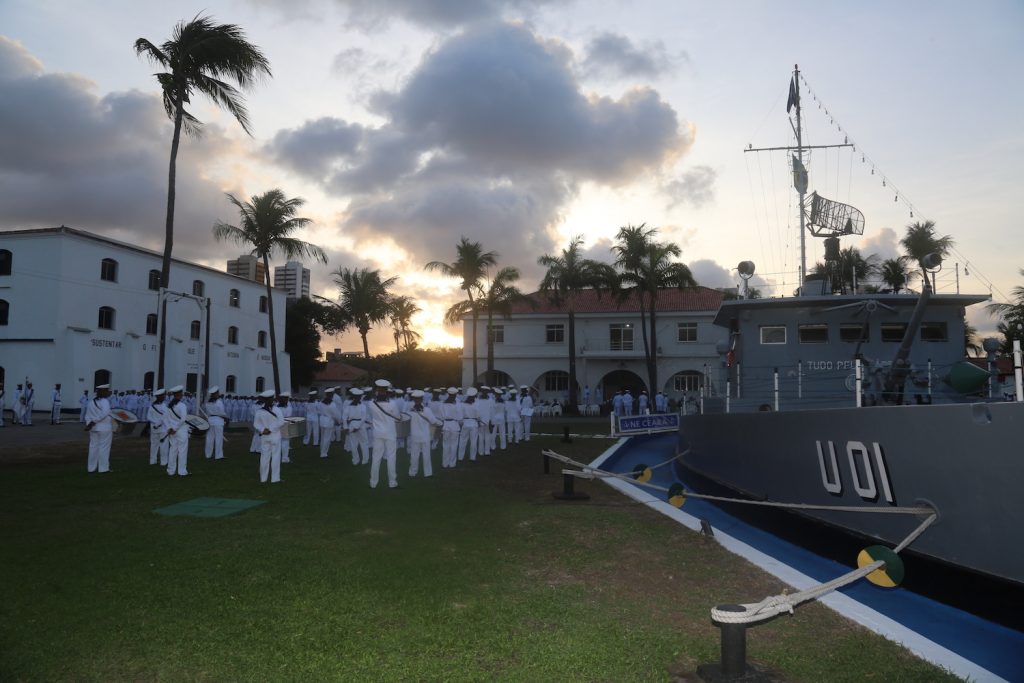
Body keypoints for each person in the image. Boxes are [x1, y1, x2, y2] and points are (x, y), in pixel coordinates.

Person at [366, 379, 407, 489]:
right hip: (390, 433)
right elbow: (398, 418)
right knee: (391, 457)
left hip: (377, 433)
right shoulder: (392, 404)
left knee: (376, 458)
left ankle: (373, 483)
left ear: (377, 390)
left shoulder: (371, 404)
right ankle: (392, 483)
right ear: (386, 391)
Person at [404, 389, 441, 477]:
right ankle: (427, 473)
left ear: (414, 399)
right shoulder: (427, 410)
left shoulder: (410, 411)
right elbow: (433, 421)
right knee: (426, 455)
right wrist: (440, 423)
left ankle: (412, 472)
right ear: (422, 399)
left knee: (414, 455)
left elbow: (406, 421)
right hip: (425, 436)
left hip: (414, 436)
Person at [253, 389, 284, 483]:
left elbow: (256, 424)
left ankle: (263, 478)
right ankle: (275, 479)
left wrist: (263, 429)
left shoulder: (259, 411)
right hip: (275, 436)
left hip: (265, 436)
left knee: (264, 457)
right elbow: (281, 422)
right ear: (272, 399)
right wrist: (271, 429)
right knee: (275, 457)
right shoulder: (277, 409)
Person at [84, 384, 113, 473]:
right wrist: (94, 422)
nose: (108, 392)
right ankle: (103, 469)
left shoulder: (91, 402)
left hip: (93, 428)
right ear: (103, 392)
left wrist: (89, 424)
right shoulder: (105, 401)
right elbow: (105, 413)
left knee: (93, 448)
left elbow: (87, 415)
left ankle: (91, 468)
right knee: (104, 448)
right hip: (104, 428)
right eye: (107, 390)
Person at [164, 386, 190, 477]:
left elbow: (165, 419)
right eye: (181, 393)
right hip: (181, 430)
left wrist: (170, 428)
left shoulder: (169, 405)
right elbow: (183, 419)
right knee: (182, 451)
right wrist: (174, 428)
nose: (182, 394)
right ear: (180, 394)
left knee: (172, 450)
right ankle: (182, 471)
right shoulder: (182, 405)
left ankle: (171, 471)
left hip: (172, 431)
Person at [437, 387, 463, 468]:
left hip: (446, 425)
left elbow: (440, 416)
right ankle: (452, 464)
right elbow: (460, 418)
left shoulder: (442, 404)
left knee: (445, 445)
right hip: (455, 425)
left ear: (448, 394)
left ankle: (445, 463)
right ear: (455, 395)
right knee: (454, 445)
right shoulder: (458, 405)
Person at [344, 389, 369, 465]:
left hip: (352, 425)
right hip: (360, 425)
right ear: (360, 397)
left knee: (353, 444)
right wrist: (357, 427)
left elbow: (344, 417)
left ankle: (355, 460)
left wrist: (346, 427)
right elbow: (364, 418)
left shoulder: (348, 406)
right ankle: (364, 460)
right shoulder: (363, 406)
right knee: (364, 443)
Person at [205, 386, 227, 460]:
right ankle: (218, 455)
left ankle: (208, 454)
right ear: (216, 394)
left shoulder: (208, 403)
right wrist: (226, 417)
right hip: (218, 420)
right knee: (219, 438)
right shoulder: (219, 402)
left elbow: (207, 412)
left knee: (209, 438)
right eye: (218, 393)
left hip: (210, 420)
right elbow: (221, 412)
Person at [147, 388, 169, 466]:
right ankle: (163, 462)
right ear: (161, 397)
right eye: (163, 395)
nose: (164, 397)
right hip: (162, 428)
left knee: (154, 445)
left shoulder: (152, 406)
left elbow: (149, 417)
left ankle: (152, 461)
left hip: (154, 428)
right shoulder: (164, 406)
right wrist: (158, 423)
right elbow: (165, 417)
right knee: (164, 446)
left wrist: (155, 423)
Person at [458, 388, 480, 462]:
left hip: (465, 423)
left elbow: (460, 415)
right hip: (474, 423)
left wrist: (461, 423)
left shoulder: (462, 404)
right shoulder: (477, 404)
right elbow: (478, 415)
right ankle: (472, 457)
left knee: (462, 441)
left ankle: (460, 457)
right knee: (473, 441)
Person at [318, 389, 341, 458]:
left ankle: (322, 451)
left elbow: (319, 411)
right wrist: (338, 421)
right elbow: (335, 414)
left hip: (322, 420)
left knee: (322, 437)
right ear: (332, 395)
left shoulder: (321, 402)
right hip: (328, 421)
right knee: (327, 438)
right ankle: (323, 453)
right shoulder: (332, 404)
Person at [277, 392, 293, 464]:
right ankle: (285, 458)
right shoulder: (289, 408)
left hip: (277, 425)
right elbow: (288, 417)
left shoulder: (276, 407)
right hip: (285, 425)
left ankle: (277, 457)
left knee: (278, 442)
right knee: (285, 442)